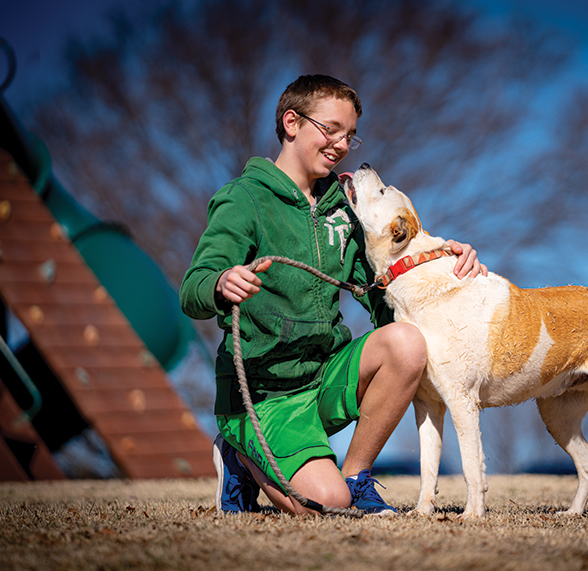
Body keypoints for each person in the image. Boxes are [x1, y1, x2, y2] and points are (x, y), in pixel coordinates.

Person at [180, 74, 486, 516]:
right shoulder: (242, 199)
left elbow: (385, 294)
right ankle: (240, 453)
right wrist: (220, 282)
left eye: (351, 136)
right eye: (331, 130)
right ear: (291, 123)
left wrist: (443, 267)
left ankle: (356, 475)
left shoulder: (344, 206)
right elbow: (192, 290)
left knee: (407, 343)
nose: (342, 144)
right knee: (324, 505)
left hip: (325, 376)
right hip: (265, 394)